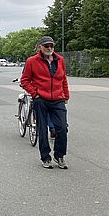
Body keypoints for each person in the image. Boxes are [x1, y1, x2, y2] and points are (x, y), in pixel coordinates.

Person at [21, 36, 70, 169]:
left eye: (51, 46)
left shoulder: (59, 60)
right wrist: (35, 94)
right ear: (40, 47)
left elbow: (63, 79)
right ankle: (45, 157)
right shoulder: (32, 61)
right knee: (42, 129)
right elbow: (25, 80)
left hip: (58, 99)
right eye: (46, 46)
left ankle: (59, 155)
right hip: (41, 99)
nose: (49, 48)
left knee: (62, 128)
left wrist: (66, 95)